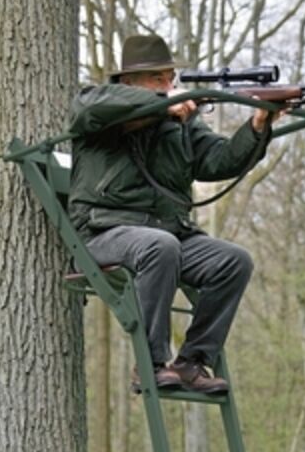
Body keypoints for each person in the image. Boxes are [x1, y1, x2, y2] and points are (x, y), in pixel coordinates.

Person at [68, 34, 281, 394]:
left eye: (170, 79)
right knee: (160, 246)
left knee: (233, 261)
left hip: (167, 233)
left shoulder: (181, 122)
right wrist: (160, 104)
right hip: (104, 232)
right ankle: (150, 364)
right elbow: (87, 108)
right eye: (157, 79)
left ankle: (192, 362)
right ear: (129, 82)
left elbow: (219, 160)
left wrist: (258, 126)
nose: (169, 86)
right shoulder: (100, 105)